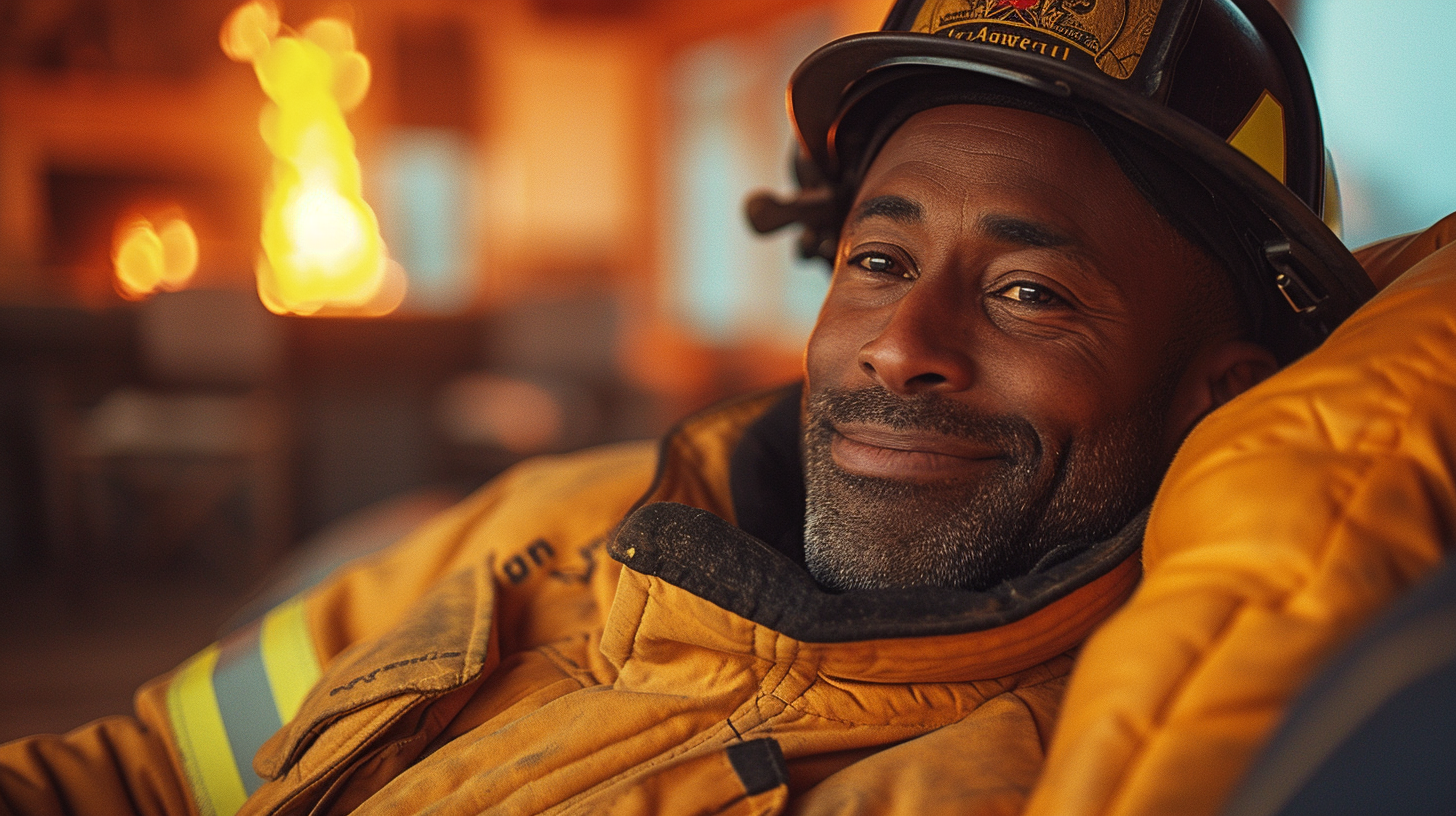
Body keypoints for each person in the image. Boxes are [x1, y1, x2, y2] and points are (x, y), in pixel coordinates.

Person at [2, 1, 1452, 814]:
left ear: (1226, 395)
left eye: (1029, 294)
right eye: (880, 260)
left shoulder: (1033, 777)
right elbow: (142, 772)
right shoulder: (557, 522)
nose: (900, 347)